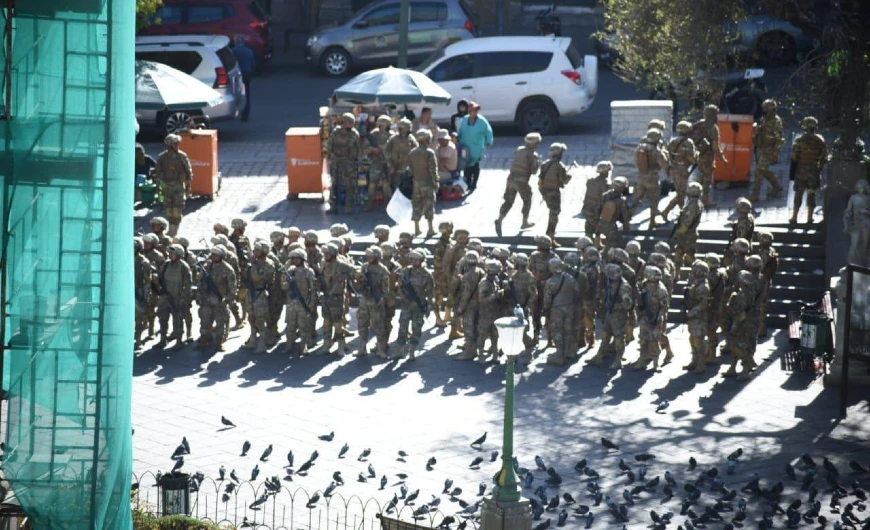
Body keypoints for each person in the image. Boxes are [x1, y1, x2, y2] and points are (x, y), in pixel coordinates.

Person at [587, 263, 633, 369]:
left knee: (619, 338)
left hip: (618, 315)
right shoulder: (611, 282)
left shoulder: (623, 286)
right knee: (605, 335)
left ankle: (618, 360)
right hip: (610, 313)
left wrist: (616, 306)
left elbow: (628, 305)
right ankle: (599, 356)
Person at [495, 133, 542, 236]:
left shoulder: (519, 149)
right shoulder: (533, 155)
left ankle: (500, 219)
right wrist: (538, 162)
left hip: (511, 179)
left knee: (508, 201)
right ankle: (524, 222)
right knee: (527, 199)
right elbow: (534, 171)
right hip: (521, 181)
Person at [196, 245, 237, 351]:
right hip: (206, 300)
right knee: (205, 322)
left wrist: (226, 300)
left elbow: (232, 289)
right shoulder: (207, 266)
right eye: (212, 254)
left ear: (221, 256)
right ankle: (203, 340)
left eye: (216, 255)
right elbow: (200, 282)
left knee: (220, 324)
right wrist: (199, 295)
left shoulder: (227, 269)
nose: (213, 257)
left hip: (220, 302)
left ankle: (219, 343)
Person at [790, 116, 828, 224]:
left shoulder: (799, 140)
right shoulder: (820, 140)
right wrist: (818, 167)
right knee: (812, 194)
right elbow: (825, 157)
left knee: (798, 194)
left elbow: (793, 156)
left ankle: (794, 217)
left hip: (801, 171)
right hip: (814, 172)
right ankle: (810, 218)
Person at [153, 134, 193, 237]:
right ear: (169, 145)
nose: (177, 145)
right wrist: (158, 188)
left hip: (178, 187)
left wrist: (188, 185)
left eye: (178, 143)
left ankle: (174, 231)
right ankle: (171, 230)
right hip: (166, 187)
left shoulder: (182, 156)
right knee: (169, 211)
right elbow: (157, 173)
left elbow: (188, 171)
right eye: (175, 143)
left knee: (177, 211)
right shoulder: (162, 157)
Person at [355, 246, 391, 358]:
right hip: (365, 300)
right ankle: (362, 347)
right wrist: (360, 280)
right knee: (362, 323)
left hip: (376, 301)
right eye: (368, 256)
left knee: (379, 325)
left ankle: (380, 348)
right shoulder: (364, 267)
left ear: (377, 257)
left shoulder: (383, 270)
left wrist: (381, 298)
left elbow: (386, 288)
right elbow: (360, 282)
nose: (369, 258)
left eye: (371, 256)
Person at [398, 250, 434, 359]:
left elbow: (431, 291)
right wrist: (402, 295)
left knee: (416, 328)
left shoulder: (426, 274)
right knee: (402, 326)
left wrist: (429, 306)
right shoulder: (406, 271)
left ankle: (412, 350)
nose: (414, 261)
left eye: (417, 259)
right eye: (412, 259)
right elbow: (400, 285)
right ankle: (400, 350)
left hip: (419, 305)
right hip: (406, 304)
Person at [280, 248, 318, 355]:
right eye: (293, 259)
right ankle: (289, 344)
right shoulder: (290, 271)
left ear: (302, 259)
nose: (295, 261)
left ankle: (304, 345)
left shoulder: (308, 272)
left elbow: (313, 290)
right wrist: (287, 284)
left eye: (297, 259)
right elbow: (283, 287)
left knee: (304, 325)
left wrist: (312, 304)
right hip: (291, 302)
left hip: (304, 302)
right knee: (290, 324)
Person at [154, 244, 192, 348]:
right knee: (162, 318)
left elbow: (187, 285)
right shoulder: (166, 264)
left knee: (178, 320)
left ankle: (179, 341)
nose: (170, 255)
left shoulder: (184, 267)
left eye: (172, 253)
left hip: (177, 298)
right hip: (165, 297)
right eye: (169, 253)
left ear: (179, 254)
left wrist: (183, 298)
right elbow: (160, 276)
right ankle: (163, 340)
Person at [632, 265, 669, 371]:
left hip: (655, 319)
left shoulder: (661, 290)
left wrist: (658, 317)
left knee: (654, 342)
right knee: (643, 340)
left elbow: (664, 306)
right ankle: (641, 361)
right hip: (644, 317)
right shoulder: (643, 285)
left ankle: (656, 363)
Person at [543, 257, 578, 367]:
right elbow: (577, 291)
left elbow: (547, 299)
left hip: (557, 309)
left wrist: (546, 309)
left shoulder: (550, 282)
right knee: (568, 329)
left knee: (557, 330)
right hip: (570, 307)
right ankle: (569, 351)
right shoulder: (570, 278)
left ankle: (559, 352)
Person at [242, 241, 276, 353]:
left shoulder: (268, 264)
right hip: (251, 293)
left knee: (260, 319)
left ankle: (262, 343)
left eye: (257, 251)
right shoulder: (254, 263)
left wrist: (253, 265)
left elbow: (256, 278)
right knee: (251, 317)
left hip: (260, 294)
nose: (255, 253)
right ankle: (252, 339)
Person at [633, 128, 670, 228]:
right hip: (652, 178)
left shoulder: (640, 147)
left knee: (637, 199)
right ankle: (652, 222)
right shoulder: (656, 150)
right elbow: (664, 164)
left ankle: (626, 219)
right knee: (654, 200)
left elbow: (635, 160)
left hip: (641, 176)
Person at [325, 113, 361, 215]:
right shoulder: (336, 133)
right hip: (337, 162)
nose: (350, 125)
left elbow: (359, 149)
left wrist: (359, 162)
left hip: (349, 163)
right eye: (348, 123)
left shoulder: (354, 134)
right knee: (334, 184)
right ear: (344, 123)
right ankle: (333, 206)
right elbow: (329, 145)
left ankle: (348, 206)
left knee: (350, 185)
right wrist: (332, 155)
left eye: (352, 123)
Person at [537, 142, 572, 245]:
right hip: (554, 192)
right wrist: (569, 176)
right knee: (554, 213)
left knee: (552, 211)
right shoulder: (560, 166)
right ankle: (550, 236)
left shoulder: (545, 164)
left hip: (545, 191)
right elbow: (564, 181)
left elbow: (540, 179)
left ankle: (550, 235)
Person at [693, 104, 728, 207]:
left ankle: (694, 196)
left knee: (700, 176)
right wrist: (722, 158)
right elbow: (715, 147)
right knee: (707, 179)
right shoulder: (713, 128)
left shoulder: (698, 123)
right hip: (708, 157)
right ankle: (705, 200)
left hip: (698, 154)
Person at [661, 121, 697, 221]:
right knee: (682, 193)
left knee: (680, 191)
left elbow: (667, 154)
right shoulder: (688, 142)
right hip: (682, 170)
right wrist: (696, 155)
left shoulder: (673, 141)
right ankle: (666, 211)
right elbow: (691, 159)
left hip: (673, 169)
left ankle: (683, 212)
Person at [750, 99, 785, 201]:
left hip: (768, 149)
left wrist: (776, 152)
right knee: (763, 170)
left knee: (759, 171)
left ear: (772, 110)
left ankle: (755, 195)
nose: (763, 111)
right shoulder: (764, 118)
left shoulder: (776, 121)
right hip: (761, 148)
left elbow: (779, 139)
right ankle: (776, 186)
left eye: (766, 109)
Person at [408, 129, 440, 238]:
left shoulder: (412, 152)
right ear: (427, 139)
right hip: (427, 182)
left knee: (416, 204)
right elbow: (432, 169)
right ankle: (430, 228)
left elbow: (410, 170)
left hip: (416, 183)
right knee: (429, 204)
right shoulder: (429, 153)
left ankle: (417, 228)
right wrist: (436, 182)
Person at [670, 181, 705, 280]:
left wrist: (679, 232)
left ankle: (696, 275)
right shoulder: (693, 202)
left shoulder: (693, 205)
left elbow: (687, 222)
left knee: (689, 256)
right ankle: (677, 274)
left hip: (688, 235)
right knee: (678, 253)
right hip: (686, 234)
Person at [457, 102, 493, 193]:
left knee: (475, 165)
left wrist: (489, 141)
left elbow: (488, 131)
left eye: (475, 110)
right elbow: (460, 131)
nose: (473, 112)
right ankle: (467, 182)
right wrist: (457, 140)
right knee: (466, 165)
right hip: (465, 146)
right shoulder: (464, 119)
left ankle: (474, 184)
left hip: (476, 147)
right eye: (471, 110)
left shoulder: (482, 121)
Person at [456, 250, 486, 360]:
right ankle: (476, 348)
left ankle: (470, 351)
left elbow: (465, 295)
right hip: (480, 304)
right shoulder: (481, 271)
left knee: (468, 328)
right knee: (476, 326)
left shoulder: (467, 276)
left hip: (470, 305)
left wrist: (460, 308)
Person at [684, 260, 711, 373]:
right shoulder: (697, 284)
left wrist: (693, 312)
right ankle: (694, 360)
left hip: (699, 318)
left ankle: (701, 363)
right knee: (692, 339)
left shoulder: (703, 287)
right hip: (694, 318)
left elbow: (703, 304)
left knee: (698, 340)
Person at [365, 115, 395, 209]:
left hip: (387, 162)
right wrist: (373, 149)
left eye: (386, 124)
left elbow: (395, 148)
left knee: (386, 184)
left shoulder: (391, 135)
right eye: (382, 124)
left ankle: (388, 204)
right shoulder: (373, 135)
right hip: (375, 162)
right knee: (372, 183)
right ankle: (370, 203)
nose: (384, 126)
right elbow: (365, 147)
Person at [582, 161, 612, 246]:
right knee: (598, 226)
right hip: (596, 209)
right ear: (605, 172)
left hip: (587, 207)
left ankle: (587, 242)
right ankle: (597, 243)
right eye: (608, 171)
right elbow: (606, 198)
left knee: (588, 225)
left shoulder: (590, 181)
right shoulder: (605, 183)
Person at [385, 118, 418, 195]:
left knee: (407, 186)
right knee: (395, 186)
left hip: (407, 167)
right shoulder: (393, 138)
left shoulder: (411, 138)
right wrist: (390, 164)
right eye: (406, 127)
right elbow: (386, 150)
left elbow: (417, 150)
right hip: (395, 167)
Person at [433, 221, 454, 327]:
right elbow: (437, 261)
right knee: (439, 296)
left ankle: (447, 314)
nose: (452, 229)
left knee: (451, 293)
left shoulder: (449, 242)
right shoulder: (440, 244)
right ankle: (437, 318)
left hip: (448, 273)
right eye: (450, 228)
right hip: (440, 274)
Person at [844, 180, 870, 267]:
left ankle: (863, 266)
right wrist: (847, 215)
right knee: (854, 246)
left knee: (864, 246)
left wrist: (865, 212)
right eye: (858, 187)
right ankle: (850, 265)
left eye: (862, 187)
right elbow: (848, 210)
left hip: (866, 225)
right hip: (856, 225)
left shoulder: (868, 199)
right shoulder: (853, 198)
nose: (860, 189)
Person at [231, 35, 256, 122]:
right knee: (247, 94)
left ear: (236, 42)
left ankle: (235, 112)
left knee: (236, 93)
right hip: (247, 74)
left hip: (238, 75)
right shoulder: (249, 51)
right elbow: (253, 64)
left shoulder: (233, 51)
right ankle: (246, 114)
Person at [134, 238, 152, 351]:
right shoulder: (124, 259)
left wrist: (145, 296)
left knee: (139, 318)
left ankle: (138, 340)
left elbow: (147, 282)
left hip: (138, 291)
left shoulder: (143, 262)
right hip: (126, 291)